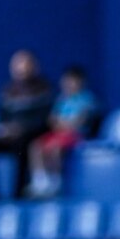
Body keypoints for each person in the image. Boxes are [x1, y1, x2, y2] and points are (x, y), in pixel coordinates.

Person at [0, 50, 53, 201]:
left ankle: (19, 192)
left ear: (33, 67)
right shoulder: (8, 92)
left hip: (29, 136)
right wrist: (5, 130)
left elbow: (44, 120)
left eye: (25, 64)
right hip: (9, 137)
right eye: (17, 65)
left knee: (24, 145)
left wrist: (21, 129)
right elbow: (1, 118)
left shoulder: (44, 89)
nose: (21, 69)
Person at [28, 65, 98, 198]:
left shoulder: (87, 99)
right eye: (67, 80)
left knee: (55, 148)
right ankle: (40, 183)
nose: (69, 84)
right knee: (36, 146)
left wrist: (64, 124)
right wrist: (63, 124)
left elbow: (78, 123)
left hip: (77, 135)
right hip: (58, 134)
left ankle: (56, 183)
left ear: (81, 81)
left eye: (73, 80)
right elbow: (52, 120)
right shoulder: (62, 100)